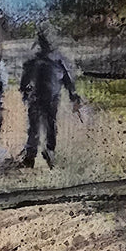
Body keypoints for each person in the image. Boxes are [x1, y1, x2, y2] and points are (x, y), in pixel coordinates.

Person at [19, 23, 81, 168]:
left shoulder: (34, 60)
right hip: (52, 97)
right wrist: (73, 95)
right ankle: (49, 150)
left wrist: (25, 91)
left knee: (34, 126)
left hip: (37, 97)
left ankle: (31, 155)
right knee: (50, 124)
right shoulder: (59, 60)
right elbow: (68, 79)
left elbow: (25, 80)